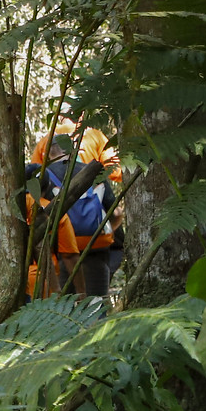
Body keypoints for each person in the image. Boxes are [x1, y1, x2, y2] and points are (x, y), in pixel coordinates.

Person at [33, 114, 122, 297]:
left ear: (48, 154)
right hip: (96, 243)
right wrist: (104, 230)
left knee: (68, 303)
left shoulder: (43, 178)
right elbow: (116, 211)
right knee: (96, 302)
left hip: (64, 248)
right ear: (73, 151)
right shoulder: (94, 171)